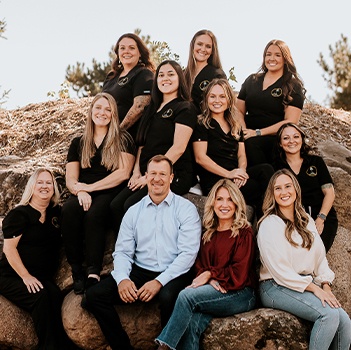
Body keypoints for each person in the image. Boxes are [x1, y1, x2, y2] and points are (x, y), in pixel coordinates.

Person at [82, 155, 201, 350]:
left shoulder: (186, 209)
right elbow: (122, 252)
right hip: (141, 270)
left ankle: (168, 346)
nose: (157, 178)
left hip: (175, 272)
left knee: (168, 296)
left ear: (171, 177)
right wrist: (122, 279)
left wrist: (159, 282)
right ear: (146, 176)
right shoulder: (133, 211)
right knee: (94, 296)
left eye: (162, 174)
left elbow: (188, 255)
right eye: (152, 173)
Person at [155, 179, 257, 350]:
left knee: (186, 296)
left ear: (237, 203)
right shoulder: (208, 233)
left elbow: (239, 274)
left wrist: (211, 274)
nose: (224, 204)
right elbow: (199, 266)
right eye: (219, 199)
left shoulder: (243, 232)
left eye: (230, 199)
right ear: (213, 203)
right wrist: (209, 280)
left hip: (241, 294)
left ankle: (163, 346)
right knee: (191, 321)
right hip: (216, 291)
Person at [257, 169, 351, 350]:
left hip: (303, 284)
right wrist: (314, 289)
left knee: (345, 322)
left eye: (287, 186)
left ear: (296, 189)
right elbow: (280, 270)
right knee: (328, 316)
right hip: (275, 285)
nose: (284, 192)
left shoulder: (306, 220)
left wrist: (325, 286)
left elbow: (320, 257)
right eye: (278, 188)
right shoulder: (270, 223)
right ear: (272, 193)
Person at [110, 60, 197, 231]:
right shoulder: (151, 109)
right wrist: (136, 173)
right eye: (161, 75)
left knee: (131, 206)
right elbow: (142, 145)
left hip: (172, 174)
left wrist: (150, 176)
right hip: (146, 173)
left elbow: (178, 148)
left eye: (171, 74)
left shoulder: (185, 107)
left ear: (180, 78)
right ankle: (124, 251)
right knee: (115, 206)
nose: (165, 78)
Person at [61, 92, 135, 294]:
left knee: (95, 213)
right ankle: (76, 270)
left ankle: (93, 271)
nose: (102, 113)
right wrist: (79, 191)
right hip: (82, 191)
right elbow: (71, 178)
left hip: (110, 191)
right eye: (98, 108)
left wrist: (89, 189)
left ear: (113, 114)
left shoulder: (123, 139)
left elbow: (123, 173)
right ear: (91, 111)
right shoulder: (79, 142)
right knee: (68, 211)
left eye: (108, 109)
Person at [0, 168, 76, 349]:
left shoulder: (55, 213)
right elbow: (10, 250)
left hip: (41, 276)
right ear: (32, 187)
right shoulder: (19, 214)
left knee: (56, 296)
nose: (44, 186)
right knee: (40, 297)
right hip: (11, 275)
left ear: (54, 188)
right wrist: (26, 276)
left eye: (48, 183)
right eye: (40, 182)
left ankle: (65, 345)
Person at [193, 78, 274, 217]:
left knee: (266, 170)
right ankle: (265, 221)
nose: (217, 100)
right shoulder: (202, 123)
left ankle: (268, 219)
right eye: (212, 96)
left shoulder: (235, 126)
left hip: (235, 177)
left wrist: (241, 171)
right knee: (258, 190)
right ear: (206, 99)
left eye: (222, 96)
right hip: (217, 179)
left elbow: (241, 155)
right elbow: (200, 158)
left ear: (229, 100)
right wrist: (229, 174)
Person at [236, 39, 305, 166]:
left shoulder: (292, 85)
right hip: (247, 133)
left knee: (251, 145)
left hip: (273, 138)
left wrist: (257, 133)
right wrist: (244, 130)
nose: (272, 58)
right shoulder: (252, 80)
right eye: (268, 54)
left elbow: (290, 121)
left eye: (277, 55)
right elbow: (238, 110)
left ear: (285, 59)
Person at [274, 123, 338, 251]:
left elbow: (329, 193)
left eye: (296, 137)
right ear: (280, 143)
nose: (292, 141)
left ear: (302, 139)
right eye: (286, 138)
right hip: (294, 218)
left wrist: (321, 218)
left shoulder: (316, 162)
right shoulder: (277, 167)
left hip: (320, 215)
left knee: (315, 253)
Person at [102, 33, 155, 140]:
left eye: (132, 48)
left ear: (140, 53)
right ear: (117, 53)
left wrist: (116, 134)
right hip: (106, 133)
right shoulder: (111, 77)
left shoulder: (143, 74)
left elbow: (139, 107)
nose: (126, 51)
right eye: (122, 48)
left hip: (126, 135)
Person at [184, 29, 226, 113]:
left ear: (212, 51)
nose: (203, 49)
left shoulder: (217, 74)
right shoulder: (181, 74)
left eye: (208, 46)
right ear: (192, 46)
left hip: (205, 122)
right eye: (200, 44)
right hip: (182, 121)